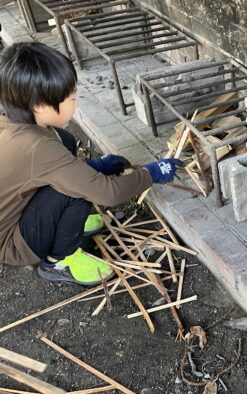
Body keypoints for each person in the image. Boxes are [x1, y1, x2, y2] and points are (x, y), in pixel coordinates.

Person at [0, 42, 181, 287]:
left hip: (17, 213)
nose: (76, 104)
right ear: (40, 105)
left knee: (65, 142)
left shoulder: (14, 122)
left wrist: (95, 166)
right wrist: (152, 172)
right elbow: (109, 193)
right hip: (11, 243)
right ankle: (57, 261)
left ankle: (64, 225)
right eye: (71, 98)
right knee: (75, 193)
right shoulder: (37, 147)